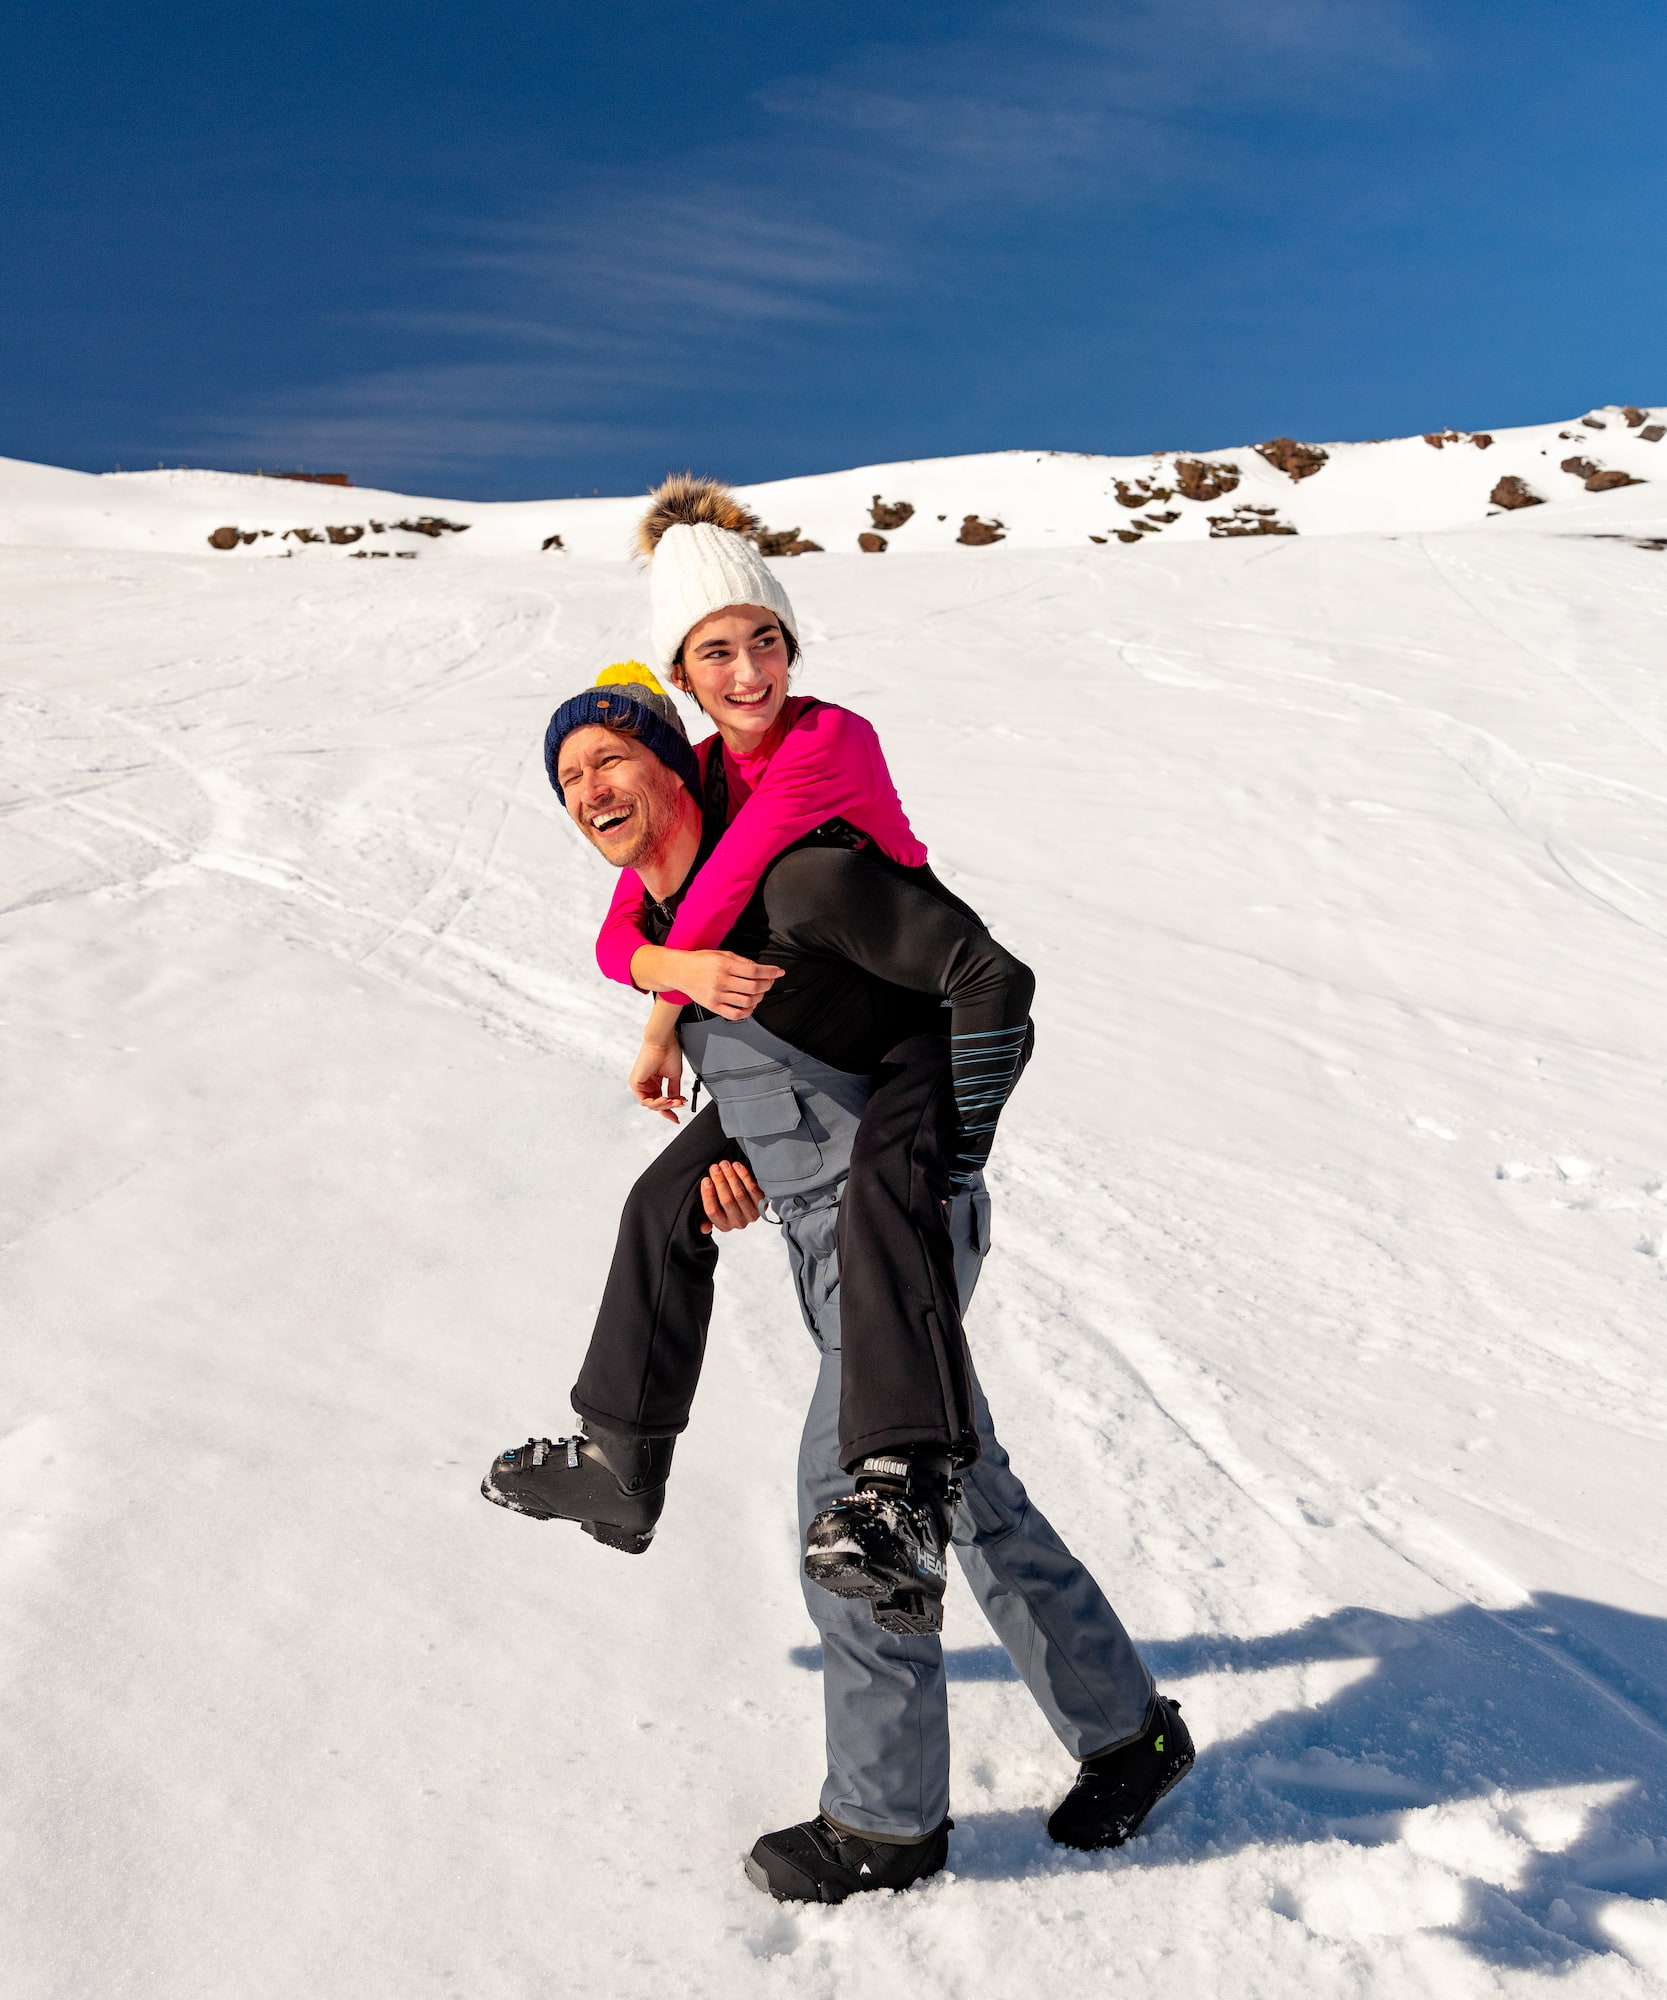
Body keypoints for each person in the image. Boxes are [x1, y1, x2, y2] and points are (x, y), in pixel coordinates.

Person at [482, 614, 1194, 1901]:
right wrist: (727, 1143)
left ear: (674, 762)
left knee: (851, 1505)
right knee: (967, 1494)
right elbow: (786, 1071)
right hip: (822, 1241)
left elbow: (971, 990)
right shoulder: (670, 928)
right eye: (568, 776)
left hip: (893, 1233)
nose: (591, 788)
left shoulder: (801, 878)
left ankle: (885, 1823)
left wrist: (939, 1167)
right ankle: (1128, 1735)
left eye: (611, 759)